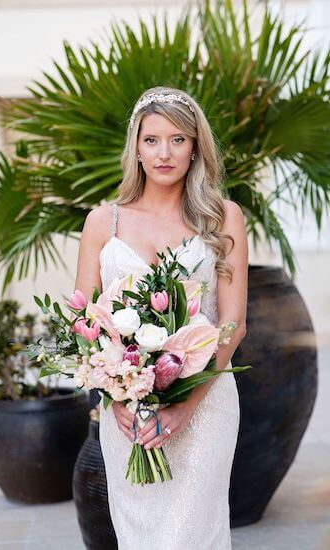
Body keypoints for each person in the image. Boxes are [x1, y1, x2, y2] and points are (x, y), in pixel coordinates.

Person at [75, 86, 248, 550]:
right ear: (135, 147)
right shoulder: (102, 222)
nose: (164, 153)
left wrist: (185, 406)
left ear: (195, 148)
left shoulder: (223, 218)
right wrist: (115, 399)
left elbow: (232, 324)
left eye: (178, 139)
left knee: (186, 536)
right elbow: (88, 327)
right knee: (141, 538)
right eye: (151, 140)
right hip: (128, 415)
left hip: (206, 405)